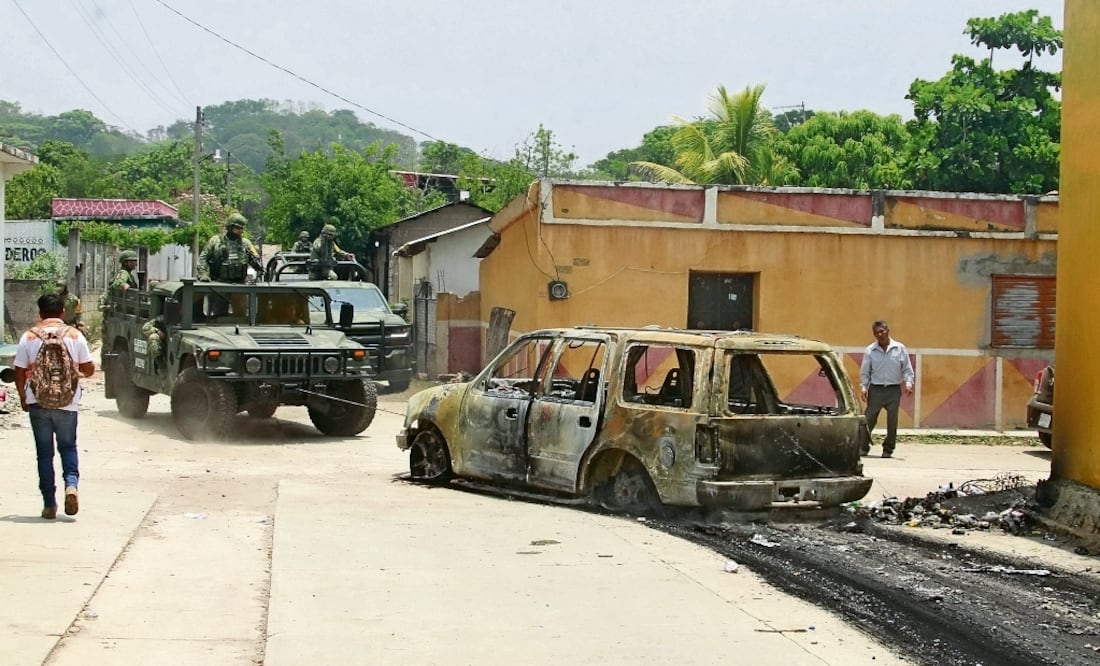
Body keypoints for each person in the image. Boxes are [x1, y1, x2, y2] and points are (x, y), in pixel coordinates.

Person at [13, 293, 95, 519]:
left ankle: (49, 504)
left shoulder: (28, 337)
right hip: (68, 402)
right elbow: (89, 369)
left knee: (44, 454)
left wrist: (23, 396)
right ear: (62, 313)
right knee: (68, 447)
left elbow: (19, 371)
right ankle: (71, 486)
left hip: (38, 401)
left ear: (40, 313)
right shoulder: (75, 335)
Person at [859, 320, 915, 458]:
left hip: (893, 390)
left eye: (882, 331)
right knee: (869, 419)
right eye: (877, 332)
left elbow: (907, 369)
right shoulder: (870, 350)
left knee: (892, 421)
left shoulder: (899, 348)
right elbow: (865, 372)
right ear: (874, 334)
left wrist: (909, 383)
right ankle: (862, 447)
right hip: (876, 389)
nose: (880, 334)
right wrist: (864, 387)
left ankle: (888, 449)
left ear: (887, 331)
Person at [197, 213, 262, 283]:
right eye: (237, 228)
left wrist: (258, 267)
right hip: (218, 284)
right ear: (230, 227)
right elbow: (202, 259)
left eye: (242, 228)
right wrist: (204, 275)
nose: (240, 231)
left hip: (240, 285)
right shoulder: (215, 241)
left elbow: (255, 259)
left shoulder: (246, 243)